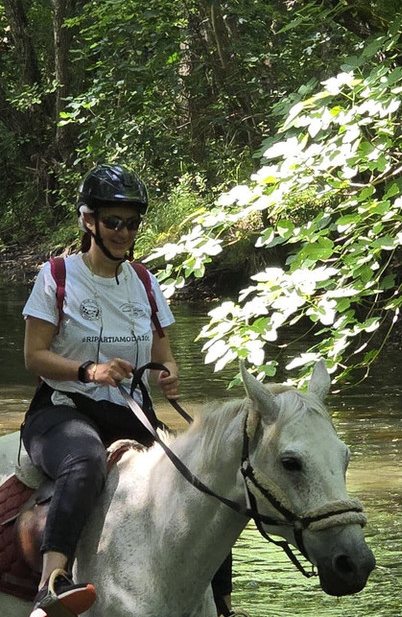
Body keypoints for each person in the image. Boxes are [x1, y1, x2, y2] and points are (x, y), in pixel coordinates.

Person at [22, 164, 241, 617]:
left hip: (130, 410)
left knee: (201, 473)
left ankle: (222, 603)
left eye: (131, 223)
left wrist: (169, 372)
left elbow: (164, 352)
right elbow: (34, 356)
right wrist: (89, 371)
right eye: (113, 222)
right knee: (84, 461)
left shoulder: (143, 280)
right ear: (89, 221)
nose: (123, 232)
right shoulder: (56, 276)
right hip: (63, 408)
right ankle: (51, 583)